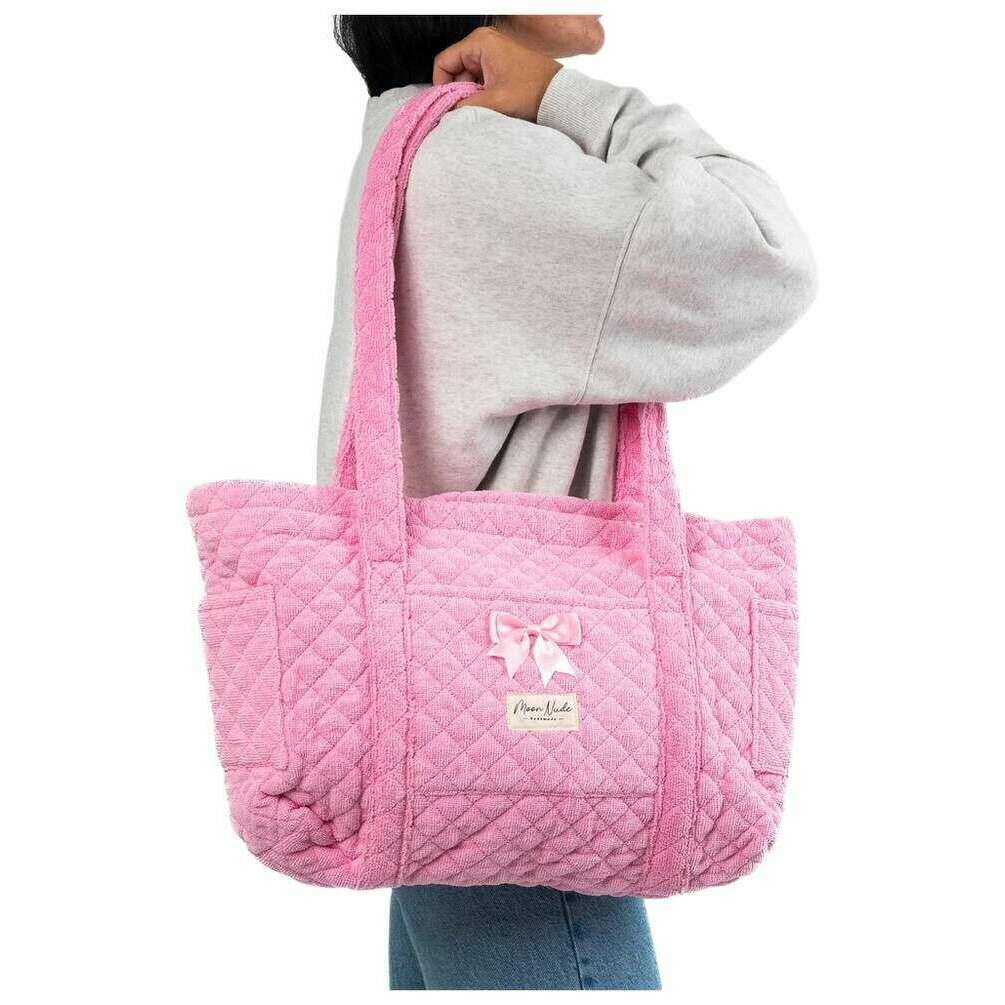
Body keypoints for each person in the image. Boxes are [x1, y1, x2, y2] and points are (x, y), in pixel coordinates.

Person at [319, 14, 816, 991]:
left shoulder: (412, 141)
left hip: (452, 721)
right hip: (530, 730)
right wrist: (571, 99)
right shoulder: (479, 160)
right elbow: (763, 252)